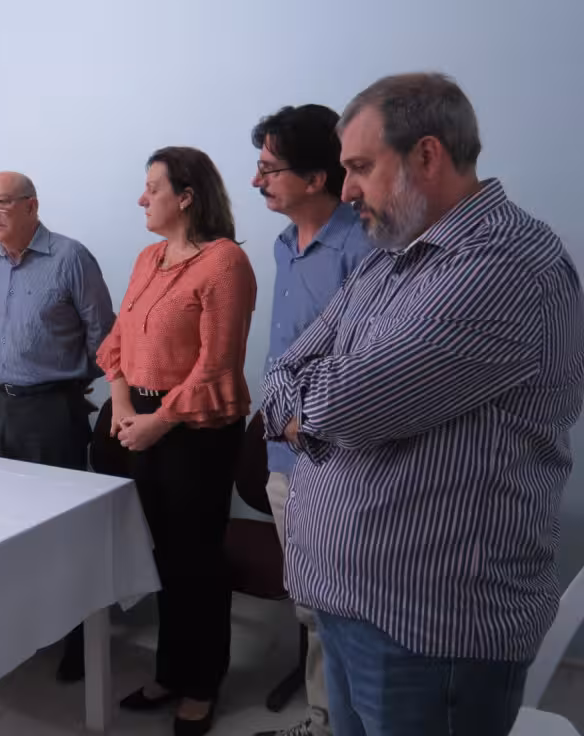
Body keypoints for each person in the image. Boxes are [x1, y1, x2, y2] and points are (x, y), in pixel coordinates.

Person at [262, 73, 584, 736]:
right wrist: (305, 400)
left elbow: (348, 405)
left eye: (360, 168)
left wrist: (306, 406)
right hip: (353, 608)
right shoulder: (389, 258)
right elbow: (282, 371)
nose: (346, 191)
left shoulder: (506, 263)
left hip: (430, 634)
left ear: (428, 155)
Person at [98, 147, 257, 736]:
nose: (142, 199)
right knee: (160, 557)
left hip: (195, 430)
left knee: (197, 560)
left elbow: (217, 366)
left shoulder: (224, 263)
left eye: (153, 188)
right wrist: (121, 405)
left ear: (186, 197)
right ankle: (169, 671)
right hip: (138, 419)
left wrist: (158, 421)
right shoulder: (149, 258)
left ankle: (201, 684)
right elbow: (118, 340)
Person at [250, 106, 372, 736]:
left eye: (270, 169)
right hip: (283, 455)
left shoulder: (365, 248)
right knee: (310, 604)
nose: (257, 181)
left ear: (317, 178)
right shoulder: (282, 245)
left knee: (346, 606)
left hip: (335, 457)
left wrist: (304, 421)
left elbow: (365, 363)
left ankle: (339, 721)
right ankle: (323, 717)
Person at [0, 170, 115, 682]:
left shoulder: (70, 257)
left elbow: (105, 339)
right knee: (9, 526)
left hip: (51, 411)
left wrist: (66, 382)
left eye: (1, 203)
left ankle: (80, 637)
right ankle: (28, 626)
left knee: (61, 532)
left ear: (32, 206)